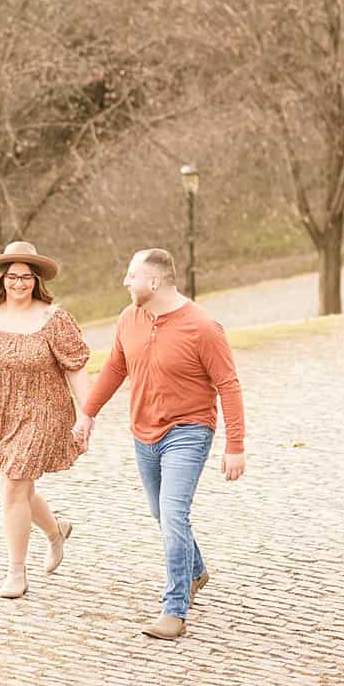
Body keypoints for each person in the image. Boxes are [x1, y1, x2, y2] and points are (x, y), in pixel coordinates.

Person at [72, 248, 246, 640]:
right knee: (160, 512)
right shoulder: (128, 318)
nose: (125, 282)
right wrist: (88, 413)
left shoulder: (202, 327)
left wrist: (235, 445)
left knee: (172, 513)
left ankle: (175, 609)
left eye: (130, 276)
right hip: (143, 433)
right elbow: (116, 368)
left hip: (188, 431)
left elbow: (228, 386)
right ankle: (196, 570)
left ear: (153, 281)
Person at [0, 240, 92, 599]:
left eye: (26, 277)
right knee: (19, 487)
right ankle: (54, 531)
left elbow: (76, 370)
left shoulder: (54, 318)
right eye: (13, 276)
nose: (19, 283)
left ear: (36, 280)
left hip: (44, 411)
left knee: (13, 486)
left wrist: (87, 415)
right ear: (1, 280)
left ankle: (16, 572)